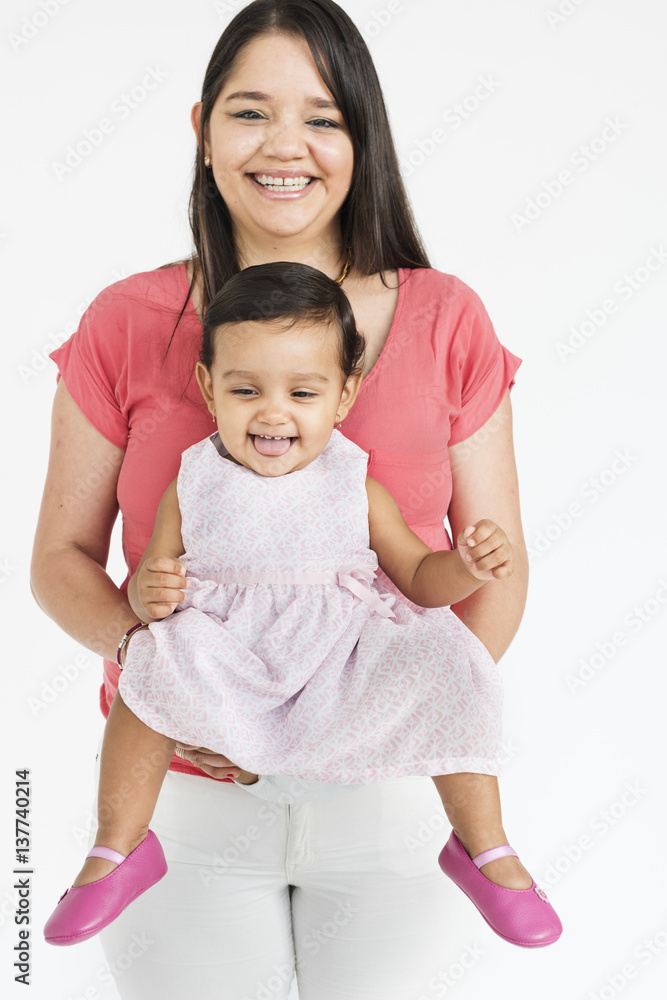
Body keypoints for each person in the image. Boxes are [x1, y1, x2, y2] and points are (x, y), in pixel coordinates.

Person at [32, 0, 549, 994]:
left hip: (391, 788)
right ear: (201, 130)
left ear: (363, 137)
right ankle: (112, 847)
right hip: (186, 792)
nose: (286, 147)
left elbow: (498, 558)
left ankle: (484, 849)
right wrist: (175, 685)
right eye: (249, 111)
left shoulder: (445, 316)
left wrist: (388, 704)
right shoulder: (127, 319)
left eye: (322, 117)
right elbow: (60, 563)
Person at [42, 262, 562, 951]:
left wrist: (462, 568)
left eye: (303, 391)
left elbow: (415, 576)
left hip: (337, 648)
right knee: (150, 665)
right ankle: (117, 848)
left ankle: (484, 848)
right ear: (209, 388)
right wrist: (148, 594)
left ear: (343, 397)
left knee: (445, 659)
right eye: (246, 389)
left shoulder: (355, 484)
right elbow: (150, 583)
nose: (273, 411)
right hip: (227, 647)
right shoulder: (192, 481)